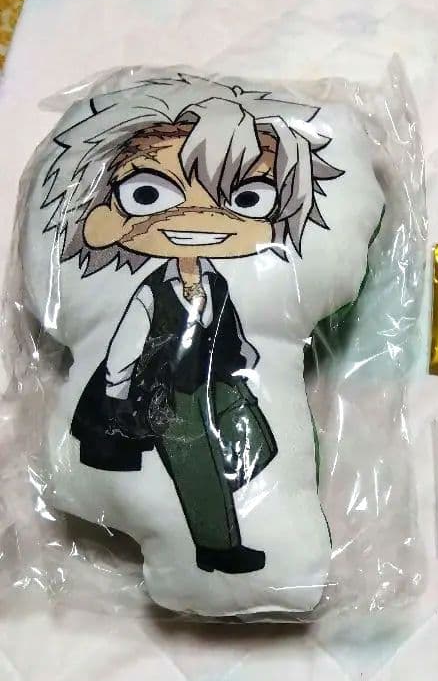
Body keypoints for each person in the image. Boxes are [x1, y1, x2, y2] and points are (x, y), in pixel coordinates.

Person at [43, 76, 343, 574]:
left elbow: (229, 326)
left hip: (219, 380)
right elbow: (126, 344)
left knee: (255, 444)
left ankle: (222, 518)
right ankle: (216, 548)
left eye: (247, 198)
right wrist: (116, 393)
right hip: (167, 393)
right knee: (198, 467)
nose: (198, 215)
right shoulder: (151, 291)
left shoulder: (215, 280)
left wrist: (245, 359)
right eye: (147, 193)